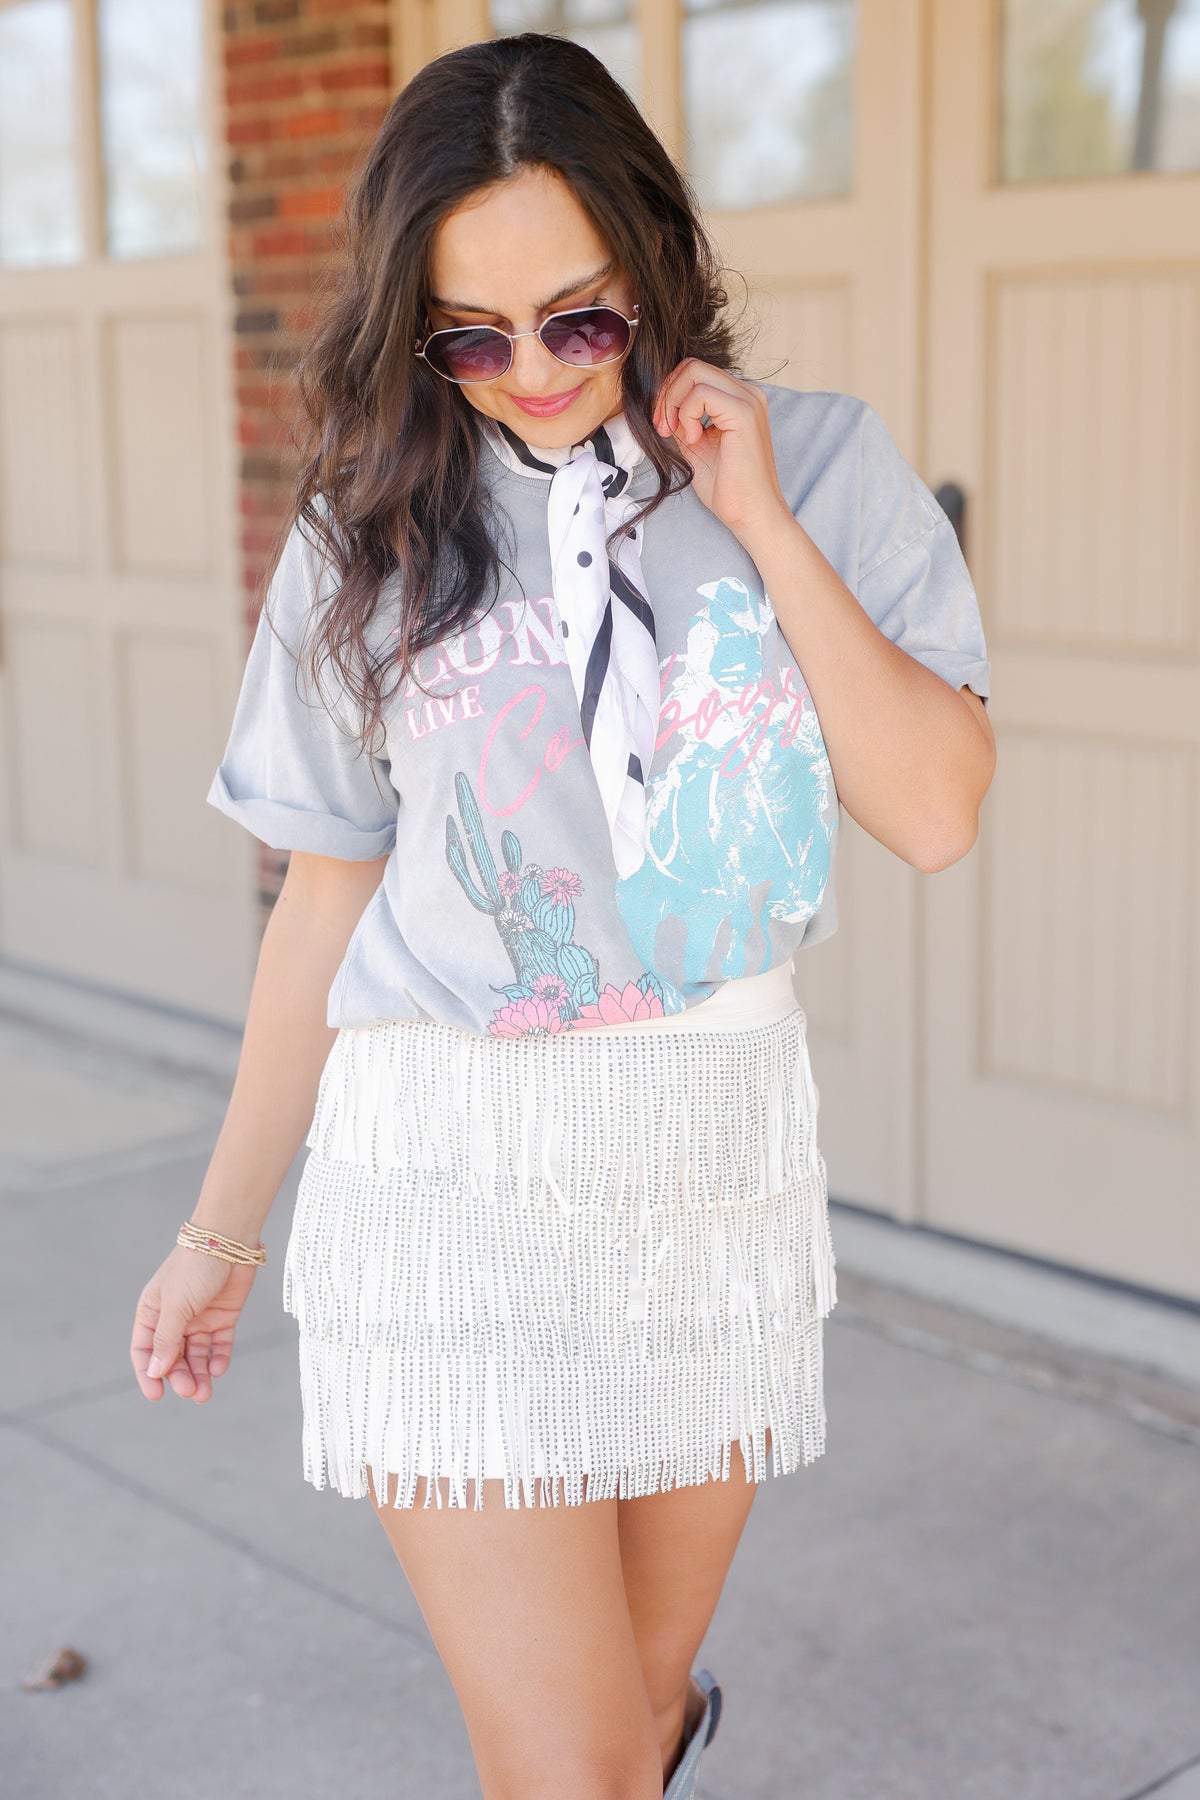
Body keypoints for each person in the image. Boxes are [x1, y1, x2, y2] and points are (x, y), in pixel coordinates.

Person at [130, 31, 994, 1800]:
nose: (530, 372)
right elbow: (320, 905)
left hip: (709, 1168)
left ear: (655, 268)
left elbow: (931, 809)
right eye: (473, 335)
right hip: (454, 1183)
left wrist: (753, 518)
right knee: (573, 1772)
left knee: (641, 1711)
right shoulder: (370, 526)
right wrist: (219, 1232)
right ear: (416, 328)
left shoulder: (814, 467)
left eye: (582, 318)